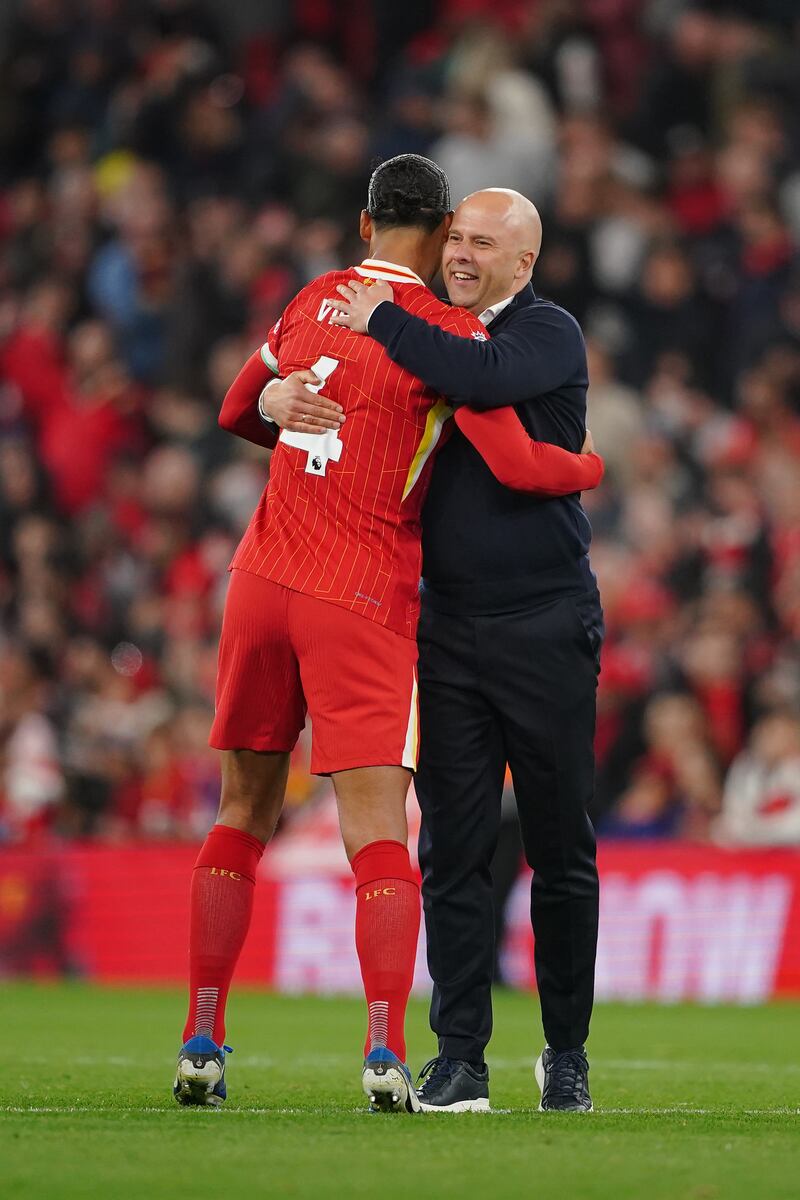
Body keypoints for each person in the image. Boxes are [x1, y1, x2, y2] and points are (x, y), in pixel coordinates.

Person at [173, 159, 602, 1115]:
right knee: (384, 838)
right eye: (460, 237)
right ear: (441, 227)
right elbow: (518, 461)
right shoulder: (448, 339)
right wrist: (590, 465)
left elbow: (240, 406)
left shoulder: (313, 295)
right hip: (360, 597)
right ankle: (386, 1052)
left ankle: (202, 1034)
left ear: (366, 223)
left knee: (240, 812)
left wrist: (281, 406)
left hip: (259, 579)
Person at [327, 188, 604, 1113]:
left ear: (523, 264)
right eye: (458, 237)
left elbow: (478, 379)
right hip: (443, 626)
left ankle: (566, 1050)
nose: (462, 252)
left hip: (546, 620)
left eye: (485, 243)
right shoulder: (431, 333)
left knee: (561, 846)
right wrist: (282, 398)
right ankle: (460, 1058)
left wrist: (380, 316)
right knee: (453, 851)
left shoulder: (548, 334)